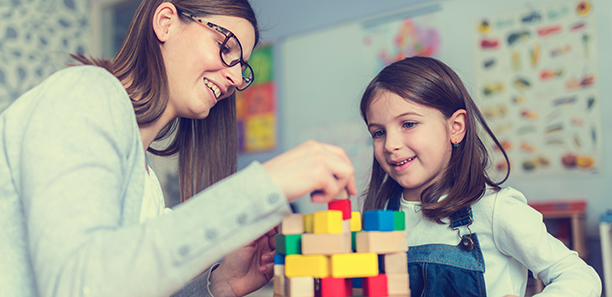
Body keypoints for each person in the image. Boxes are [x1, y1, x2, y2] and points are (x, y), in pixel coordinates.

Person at [0, 0, 357, 297]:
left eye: (242, 66)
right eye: (226, 47)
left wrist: (218, 284)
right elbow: (79, 285)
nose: (235, 78)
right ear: (166, 22)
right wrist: (262, 185)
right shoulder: (84, 92)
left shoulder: (148, 185)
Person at [359, 56, 601, 296]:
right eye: (379, 132)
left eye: (408, 124)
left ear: (455, 128)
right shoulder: (378, 218)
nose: (390, 144)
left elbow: (580, 276)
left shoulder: (494, 209)